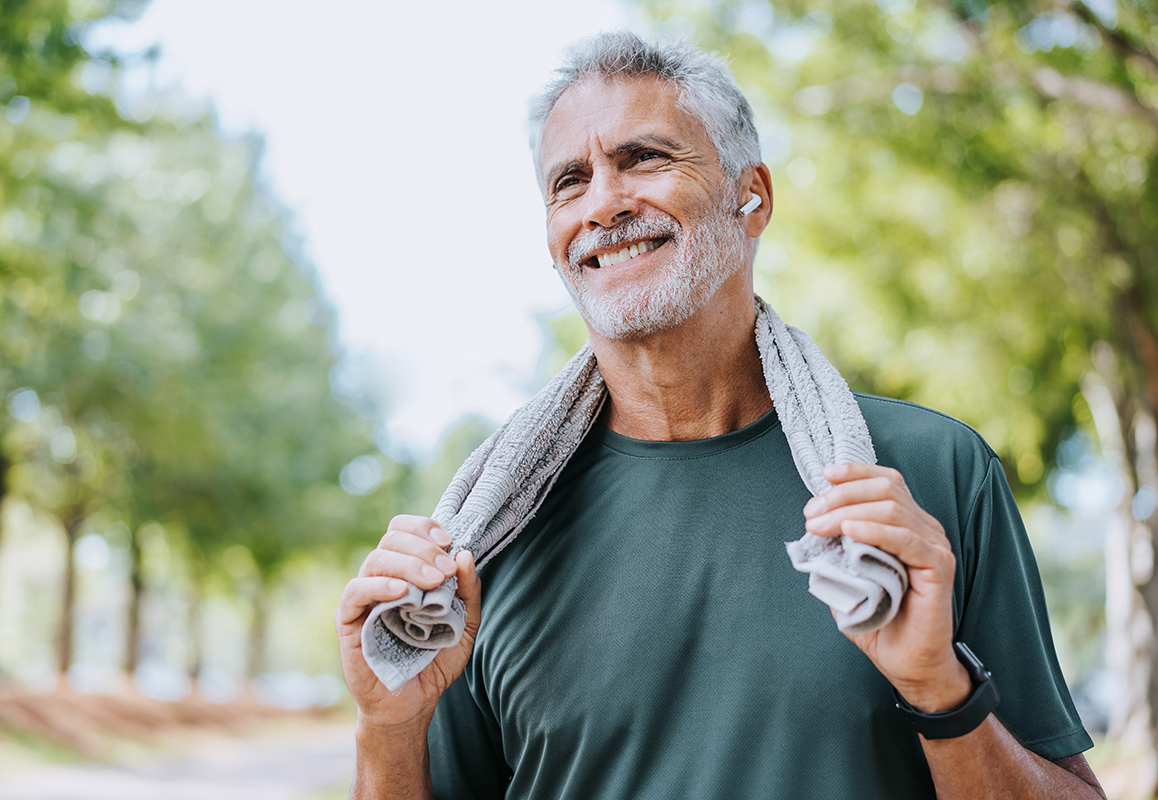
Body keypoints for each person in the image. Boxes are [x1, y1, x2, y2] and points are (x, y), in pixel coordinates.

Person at [335, 31, 1105, 799]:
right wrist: (389, 729)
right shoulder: (485, 535)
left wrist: (942, 687)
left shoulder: (926, 477)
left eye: (643, 158)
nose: (604, 202)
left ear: (753, 197)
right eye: (570, 181)